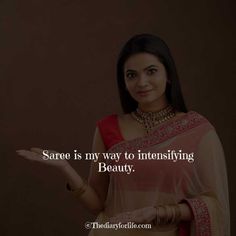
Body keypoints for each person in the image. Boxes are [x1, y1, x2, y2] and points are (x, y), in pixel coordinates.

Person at [16, 34, 230, 236]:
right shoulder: (107, 128)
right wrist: (65, 167)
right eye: (131, 75)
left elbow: (214, 204)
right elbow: (98, 204)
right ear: (124, 82)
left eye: (151, 71)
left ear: (169, 75)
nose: (141, 82)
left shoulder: (196, 130)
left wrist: (159, 212)